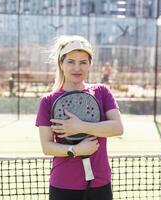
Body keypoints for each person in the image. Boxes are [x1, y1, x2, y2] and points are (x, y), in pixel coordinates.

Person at [35, 35, 124, 200]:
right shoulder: (48, 101)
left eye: (83, 62)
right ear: (61, 64)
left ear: (90, 65)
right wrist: (75, 150)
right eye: (71, 61)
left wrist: (80, 126)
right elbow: (47, 147)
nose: (77, 67)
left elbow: (117, 128)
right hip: (64, 184)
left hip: (100, 183)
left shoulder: (102, 92)